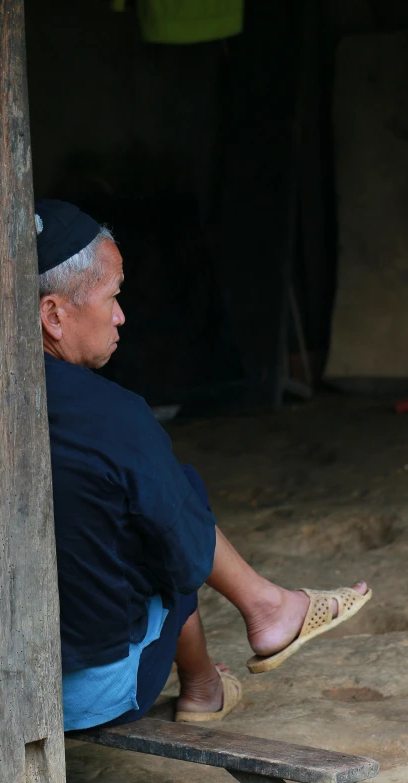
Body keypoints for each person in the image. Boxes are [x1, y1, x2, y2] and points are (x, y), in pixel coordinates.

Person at [35, 199, 371, 732]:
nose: (121, 315)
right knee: (176, 512)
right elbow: (186, 556)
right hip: (83, 698)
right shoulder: (115, 416)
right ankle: (214, 674)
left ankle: (258, 620)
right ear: (53, 315)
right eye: (113, 297)